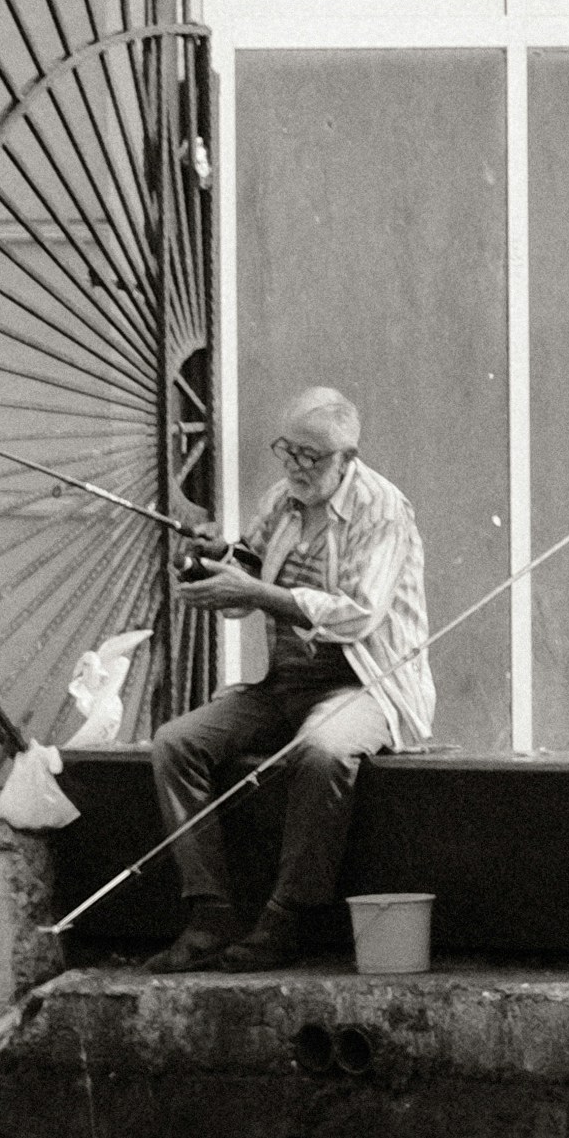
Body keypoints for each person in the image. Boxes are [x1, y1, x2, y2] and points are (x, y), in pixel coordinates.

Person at [151, 388, 433, 972]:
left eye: (313, 456)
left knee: (323, 749)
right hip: (284, 683)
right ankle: (210, 914)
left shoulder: (382, 509)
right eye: (288, 451)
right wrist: (216, 559)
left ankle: (287, 917)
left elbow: (357, 615)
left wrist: (255, 591)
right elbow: (252, 573)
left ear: (348, 457)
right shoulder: (283, 499)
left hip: (366, 684)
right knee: (175, 743)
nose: (297, 467)